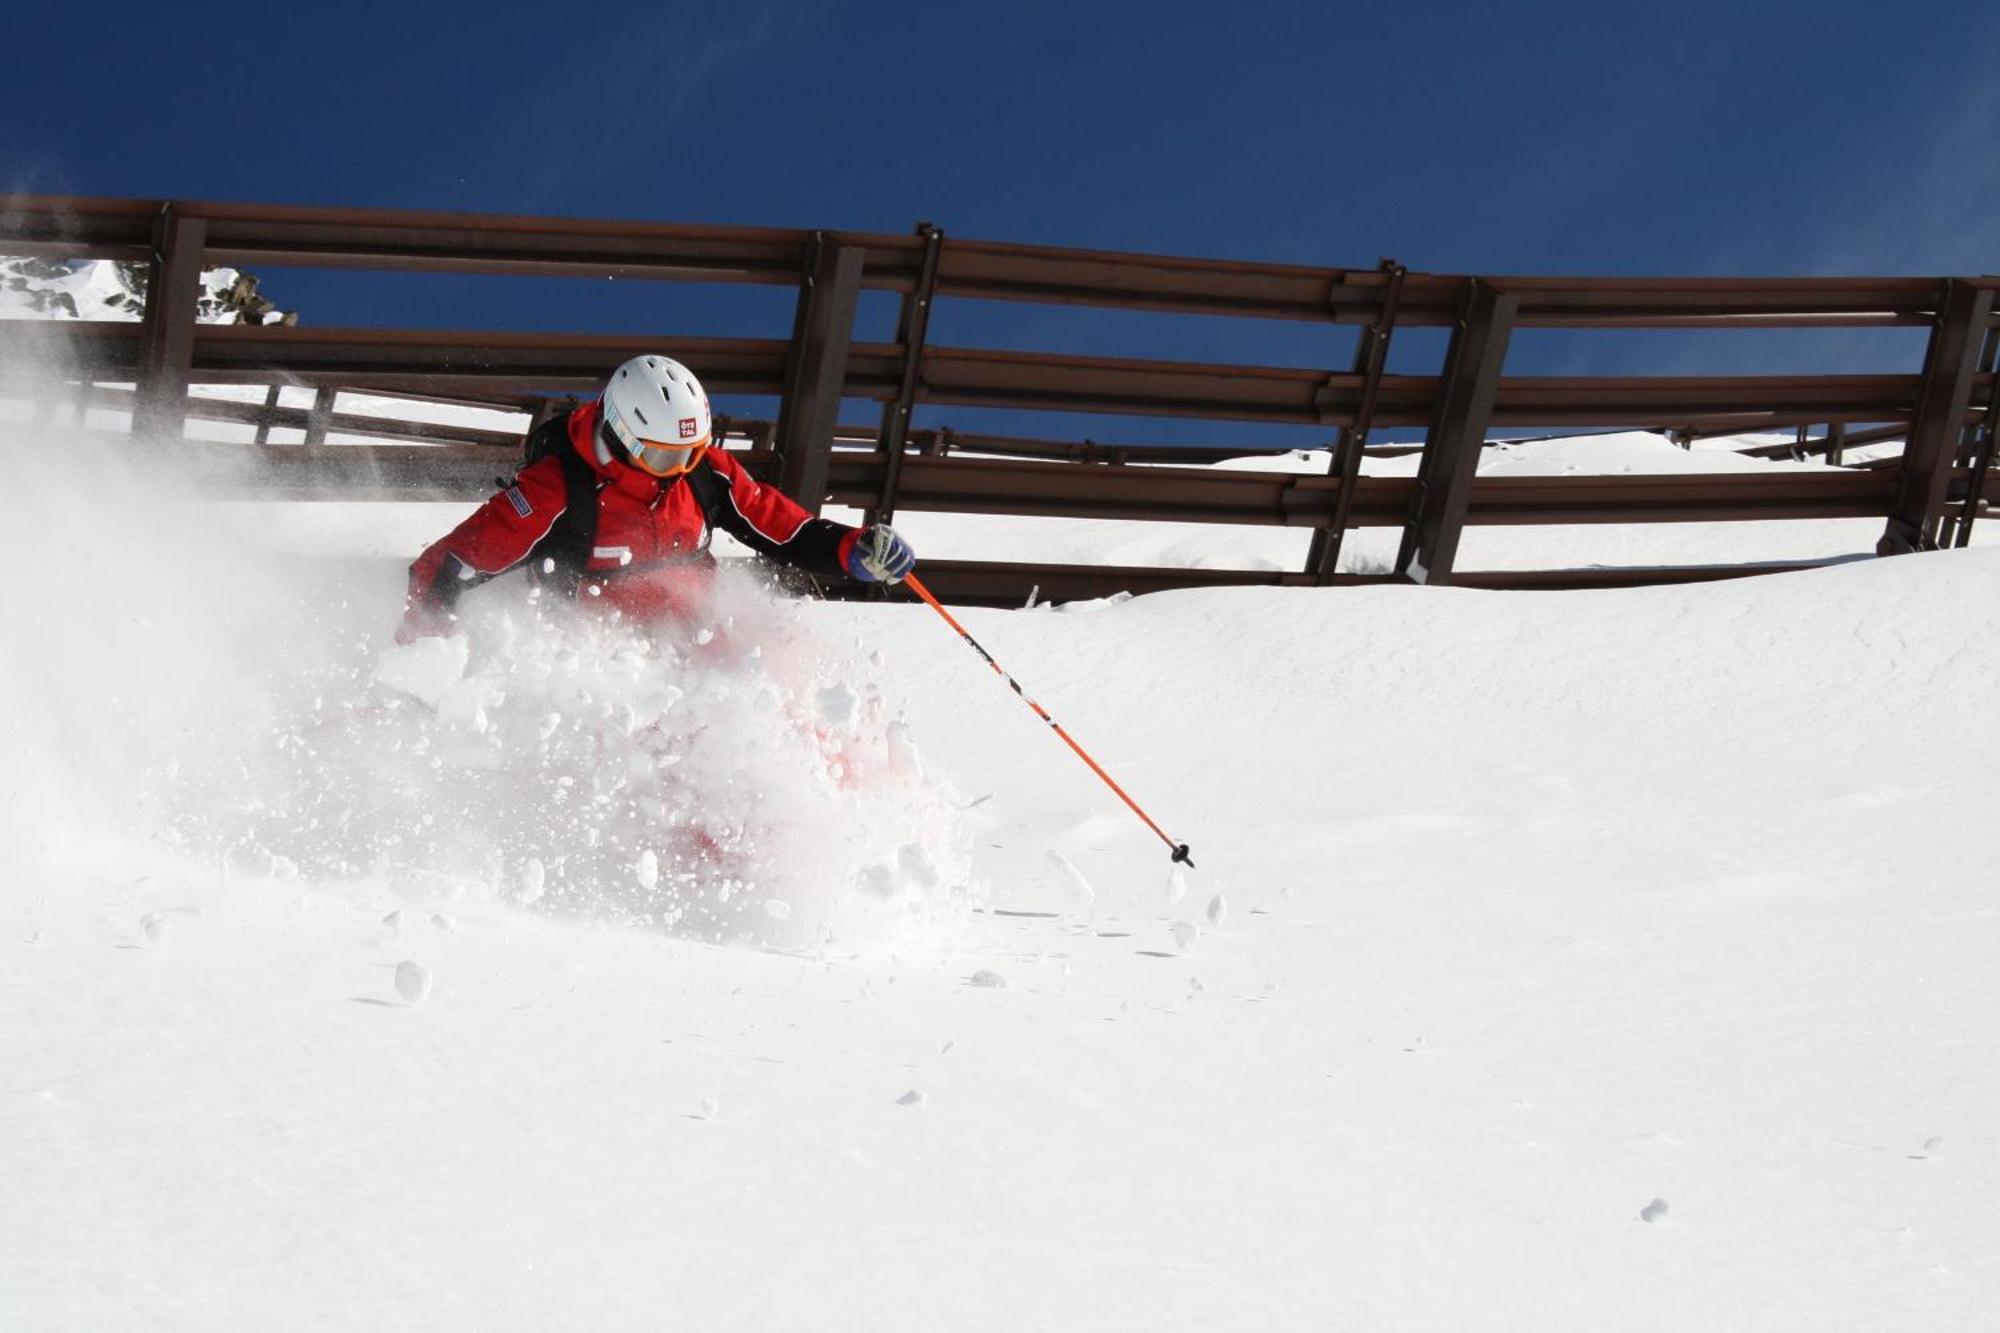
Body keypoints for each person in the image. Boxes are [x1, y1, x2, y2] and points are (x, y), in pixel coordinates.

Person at [397, 355, 915, 643]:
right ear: (624, 434)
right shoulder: (558, 488)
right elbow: (451, 565)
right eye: (667, 457)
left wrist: (854, 550)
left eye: (693, 450)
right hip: (597, 655)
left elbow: (785, 530)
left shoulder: (704, 473)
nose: (682, 468)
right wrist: (424, 645)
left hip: (693, 636)